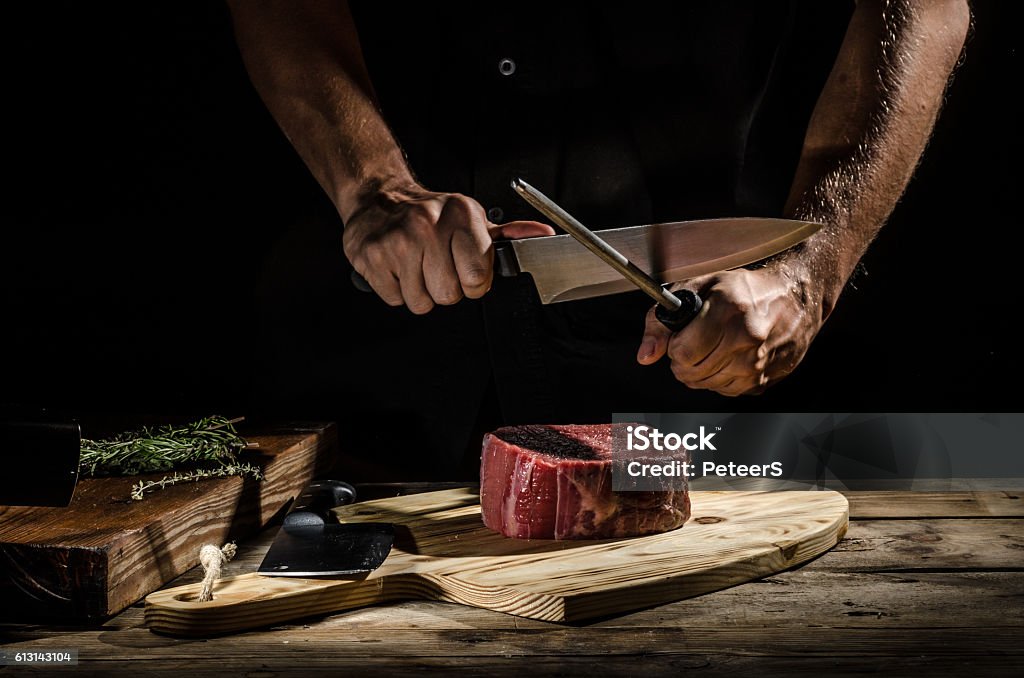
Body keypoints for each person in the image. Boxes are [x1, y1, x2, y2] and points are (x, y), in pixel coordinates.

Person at [228, 1, 969, 478]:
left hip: (715, 377)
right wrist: (370, 183)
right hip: (368, 362)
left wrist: (807, 275)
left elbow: (925, 8)